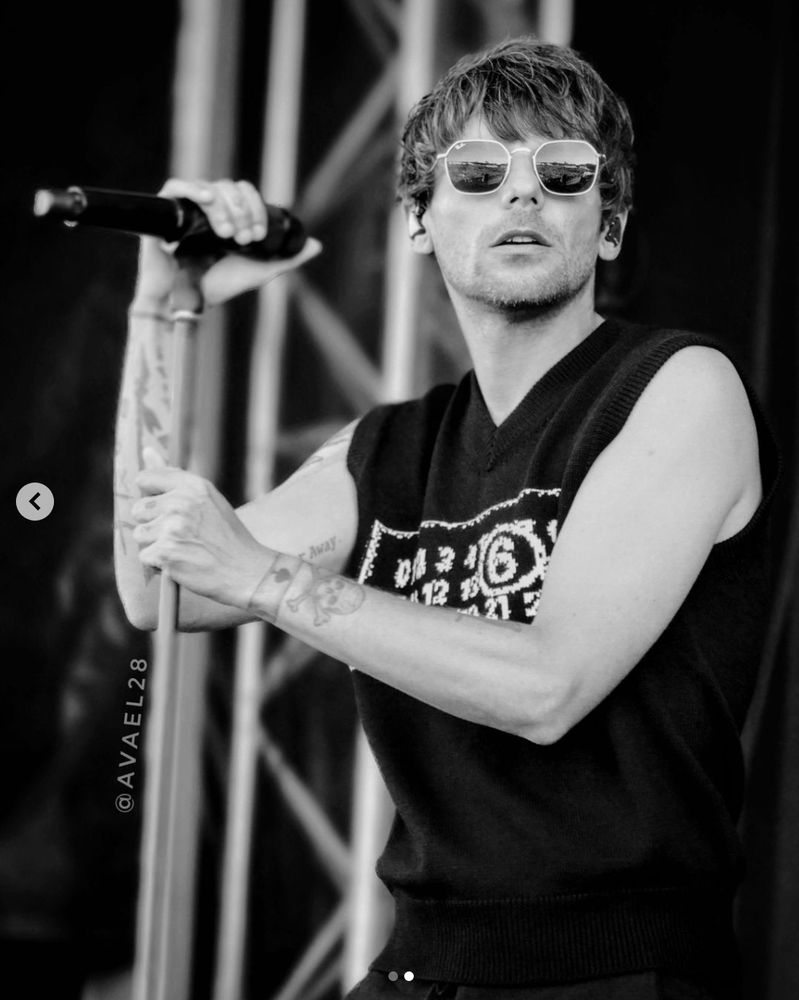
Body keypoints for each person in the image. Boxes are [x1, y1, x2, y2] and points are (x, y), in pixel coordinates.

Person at [113, 36, 779, 1000]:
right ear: (420, 221)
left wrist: (264, 576)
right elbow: (154, 585)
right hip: (424, 961)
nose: (523, 196)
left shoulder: (676, 389)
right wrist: (159, 310)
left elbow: (545, 686)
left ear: (610, 229)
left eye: (562, 173)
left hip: (615, 969)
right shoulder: (389, 449)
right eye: (477, 172)